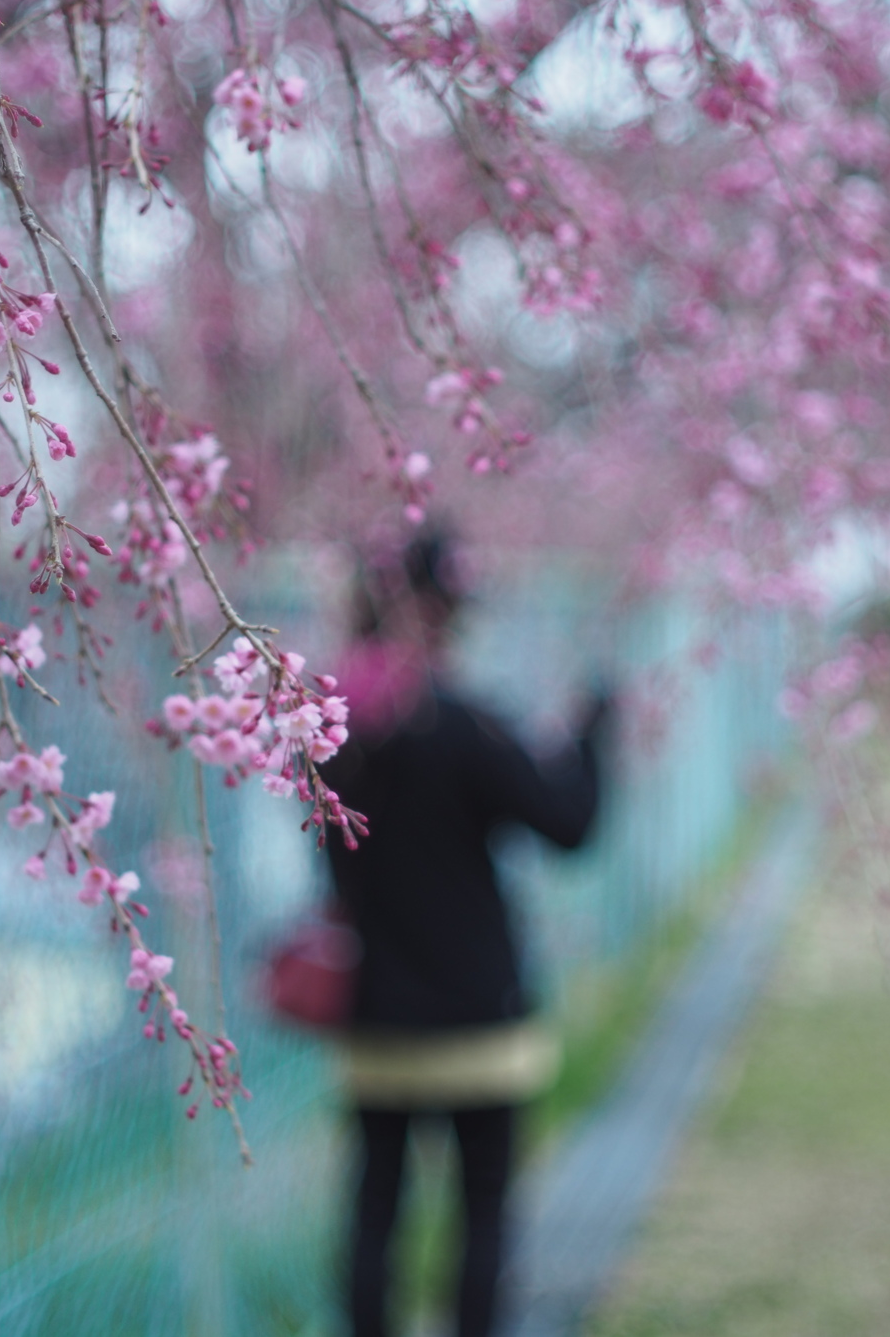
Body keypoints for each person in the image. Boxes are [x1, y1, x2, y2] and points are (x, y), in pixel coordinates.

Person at [323, 536, 610, 1337]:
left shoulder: (328, 731)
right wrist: (594, 731)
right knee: (482, 1209)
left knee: (375, 1206)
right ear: (437, 613)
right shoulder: (466, 725)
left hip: (378, 1005)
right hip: (481, 1012)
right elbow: (570, 821)